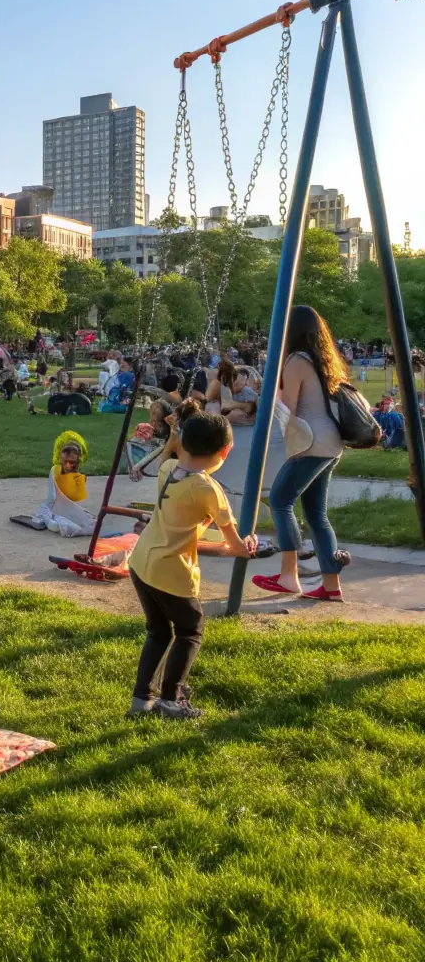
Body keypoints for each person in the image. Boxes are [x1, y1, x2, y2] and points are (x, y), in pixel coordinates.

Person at [128, 412, 257, 719]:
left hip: (142, 563)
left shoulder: (169, 468)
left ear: (182, 442)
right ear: (225, 452)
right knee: (190, 630)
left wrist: (226, 548)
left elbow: (187, 534)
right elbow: (236, 545)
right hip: (171, 573)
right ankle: (170, 700)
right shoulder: (209, 489)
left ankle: (141, 701)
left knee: (159, 631)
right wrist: (248, 545)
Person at [253, 305, 351, 601]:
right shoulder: (323, 361)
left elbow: (287, 409)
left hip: (311, 443)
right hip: (332, 443)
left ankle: (288, 576)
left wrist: (266, 396)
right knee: (316, 514)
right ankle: (331, 586)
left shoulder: (296, 360)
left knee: (280, 500)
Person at [26, 431, 95, 538]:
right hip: (56, 507)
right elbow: (52, 497)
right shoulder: (56, 470)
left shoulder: (75, 474)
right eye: (65, 462)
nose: (68, 465)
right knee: (61, 524)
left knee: (85, 523)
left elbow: (75, 496)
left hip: (65, 506)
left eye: (71, 462)